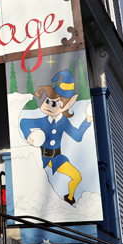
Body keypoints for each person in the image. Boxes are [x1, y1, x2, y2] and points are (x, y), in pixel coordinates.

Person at [19, 70, 92, 206]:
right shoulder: (42, 121)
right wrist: (28, 136)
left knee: (76, 176)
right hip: (41, 157)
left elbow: (77, 136)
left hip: (57, 158)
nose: (47, 105)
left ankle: (69, 197)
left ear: (66, 105)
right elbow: (24, 123)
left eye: (54, 103)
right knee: (37, 184)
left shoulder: (63, 122)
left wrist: (87, 121)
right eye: (47, 101)